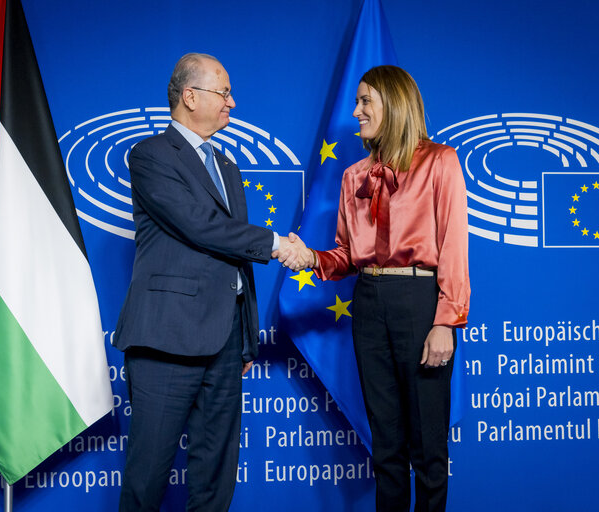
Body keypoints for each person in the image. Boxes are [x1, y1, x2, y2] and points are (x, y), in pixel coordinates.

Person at [114, 53, 303, 512]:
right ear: (190, 96)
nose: (232, 103)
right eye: (224, 92)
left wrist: (245, 336)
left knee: (215, 482)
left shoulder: (228, 166)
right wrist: (277, 243)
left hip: (224, 345)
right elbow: (200, 225)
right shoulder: (150, 155)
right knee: (147, 478)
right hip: (166, 342)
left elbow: (232, 256)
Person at [292, 65, 469, 511]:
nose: (356, 112)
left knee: (428, 449)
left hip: (420, 304)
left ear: (394, 103)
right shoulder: (355, 176)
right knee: (386, 448)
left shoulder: (440, 161)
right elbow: (347, 255)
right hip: (368, 305)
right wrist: (310, 258)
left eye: (365, 101)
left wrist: (446, 321)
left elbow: (453, 248)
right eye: (356, 102)